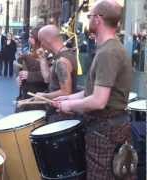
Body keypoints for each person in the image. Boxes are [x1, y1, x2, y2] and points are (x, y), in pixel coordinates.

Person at [53, 1, 133, 179]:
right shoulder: (107, 49)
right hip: (106, 128)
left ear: (98, 19)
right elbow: (92, 91)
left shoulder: (108, 53)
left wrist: (70, 107)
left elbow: (99, 100)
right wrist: (68, 100)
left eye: (90, 16)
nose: (88, 20)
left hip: (105, 130)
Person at [35, 25, 78, 122]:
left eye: (41, 41)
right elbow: (47, 78)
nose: (41, 45)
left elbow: (66, 92)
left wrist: (43, 96)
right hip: (59, 112)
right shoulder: (62, 56)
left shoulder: (62, 61)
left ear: (47, 41)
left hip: (61, 115)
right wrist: (42, 58)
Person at [16, 25, 48, 112]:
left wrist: (29, 75)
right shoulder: (30, 50)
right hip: (26, 92)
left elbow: (49, 77)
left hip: (39, 95)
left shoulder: (48, 54)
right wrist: (19, 77)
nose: (29, 39)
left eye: (31, 37)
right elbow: (23, 69)